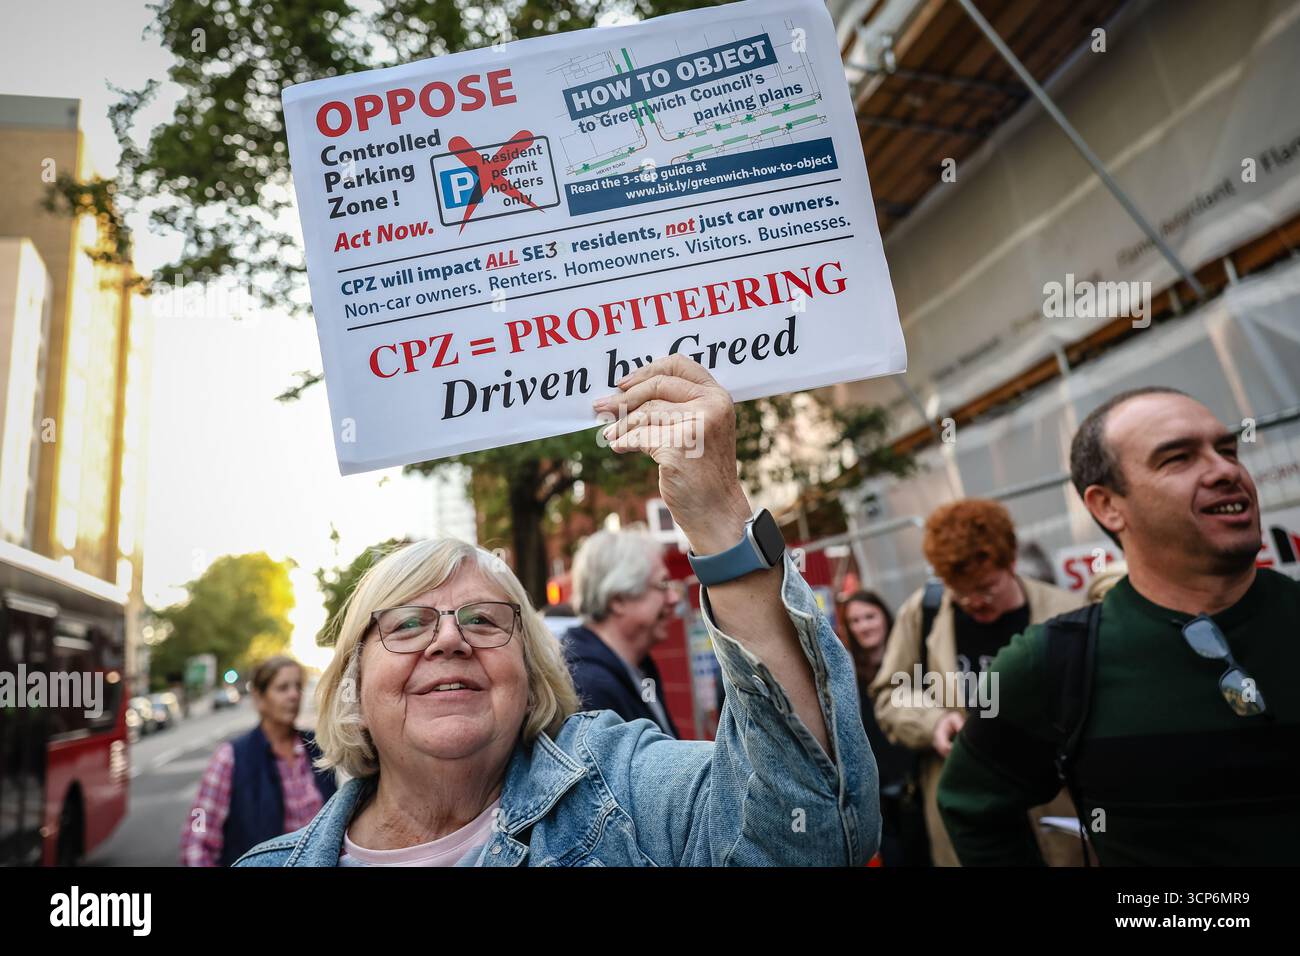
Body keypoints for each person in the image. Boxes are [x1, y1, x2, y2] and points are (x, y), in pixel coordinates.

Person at [234, 355, 878, 867]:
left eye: (484, 620)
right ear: (351, 686)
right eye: (407, 624)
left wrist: (716, 516)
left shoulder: (625, 788)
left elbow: (810, 836)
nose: (450, 640)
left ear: (531, 670)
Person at [938, 388, 1300, 865]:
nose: (1226, 470)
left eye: (1228, 449)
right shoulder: (1052, 662)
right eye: (1178, 458)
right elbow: (971, 807)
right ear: (1107, 505)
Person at [868, 499, 1083, 866]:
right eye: (959, 590)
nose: (973, 602)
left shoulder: (1067, 613)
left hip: (1057, 818)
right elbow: (891, 692)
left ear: (1010, 562)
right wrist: (933, 721)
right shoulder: (925, 612)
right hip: (967, 824)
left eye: (986, 588)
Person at [181, 656, 337, 866]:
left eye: (297, 686)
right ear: (259, 697)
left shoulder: (317, 747)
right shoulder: (230, 758)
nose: (293, 695)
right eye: (282, 688)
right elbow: (198, 831)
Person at [564, 530, 681, 737]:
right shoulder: (588, 688)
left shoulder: (638, 667)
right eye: (662, 585)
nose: (674, 598)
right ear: (618, 600)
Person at [839, 591, 922, 866]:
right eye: (855, 620)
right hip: (879, 796)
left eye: (869, 617)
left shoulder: (912, 664)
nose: (864, 625)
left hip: (918, 781)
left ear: (885, 617)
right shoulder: (846, 674)